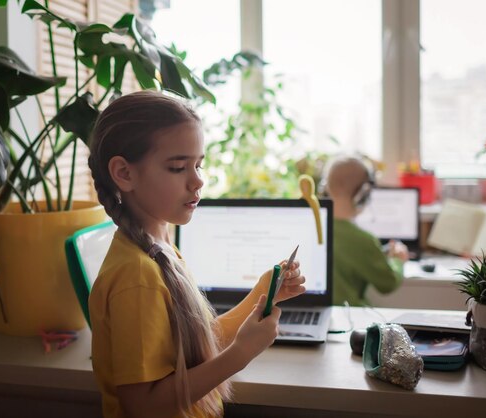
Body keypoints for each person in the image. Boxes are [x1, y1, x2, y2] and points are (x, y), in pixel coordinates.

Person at [87, 90, 306, 418]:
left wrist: (262, 294)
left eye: (199, 165)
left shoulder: (161, 250)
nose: (198, 181)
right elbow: (143, 405)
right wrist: (240, 354)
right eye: (178, 167)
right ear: (124, 173)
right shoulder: (137, 277)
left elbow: (196, 346)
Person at [325, 156, 408, 306]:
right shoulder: (363, 240)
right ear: (364, 192)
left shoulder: (316, 227)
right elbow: (387, 284)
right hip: (350, 316)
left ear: (326, 187)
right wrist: (398, 260)